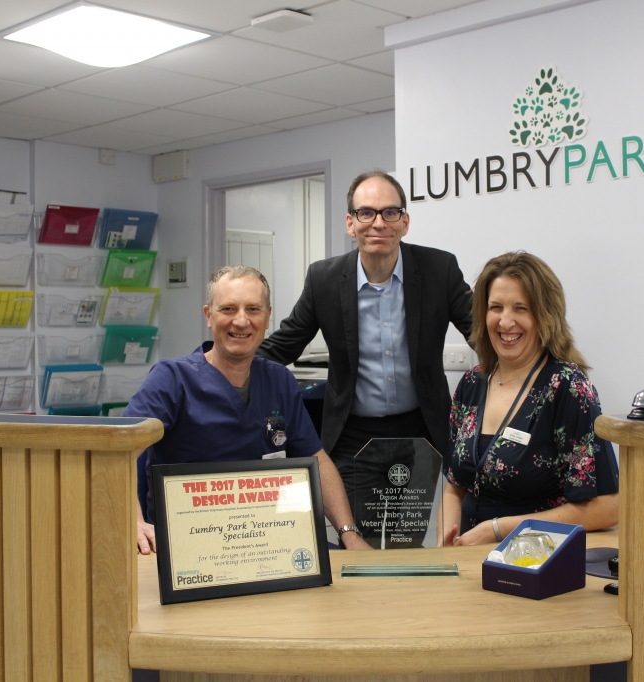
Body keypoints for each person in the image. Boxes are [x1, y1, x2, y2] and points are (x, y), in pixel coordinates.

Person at [257, 170, 473, 500]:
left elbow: (482, 331)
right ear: (350, 223)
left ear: (405, 221)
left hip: (423, 430)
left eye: (390, 212)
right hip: (353, 436)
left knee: (423, 539)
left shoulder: (438, 269)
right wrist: (214, 366)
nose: (378, 223)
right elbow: (283, 345)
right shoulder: (324, 279)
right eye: (366, 212)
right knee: (357, 538)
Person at [125, 265, 372, 553]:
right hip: (189, 543)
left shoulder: (279, 380)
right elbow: (118, 453)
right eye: (228, 309)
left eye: (253, 309)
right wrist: (133, 520)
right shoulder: (171, 380)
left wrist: (349, 533)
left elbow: (316, 460)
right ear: (208, 315)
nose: (241, 321)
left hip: (267, 537)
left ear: (267, 316)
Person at [440, 251, 618, 546]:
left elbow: (608, 508)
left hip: (536, 559)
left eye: (521, 308)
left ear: (545, 315)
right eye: (495, 307)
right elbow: (453, 489)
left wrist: (497, 529)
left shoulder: (567, 388)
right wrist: (448, 544)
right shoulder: (471, 384)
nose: (505, 321)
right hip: (468, 559)